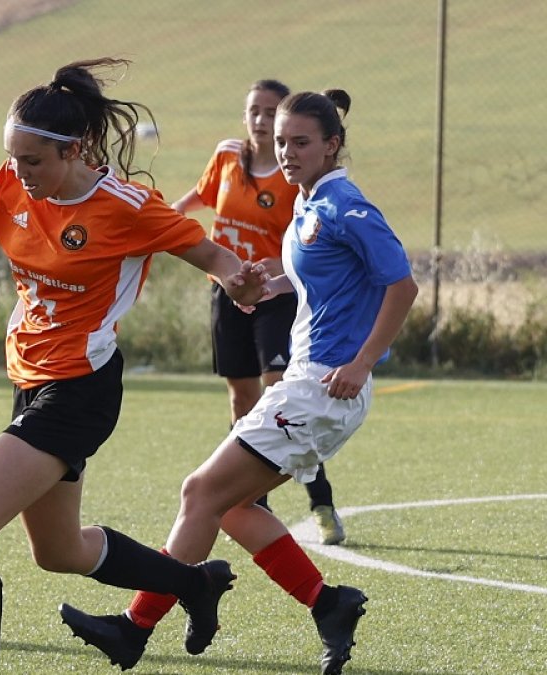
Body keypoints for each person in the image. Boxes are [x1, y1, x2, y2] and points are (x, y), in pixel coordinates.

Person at [0, 58, 263, 675]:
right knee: (58, 550)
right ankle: (193, 585)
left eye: (33, 161)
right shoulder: (9, 187)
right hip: (31, 381)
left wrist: (239, 280)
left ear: (75, 151)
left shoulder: (124, 206)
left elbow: (205, 250)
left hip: (80, 389)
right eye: (13, 157)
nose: (19, 172)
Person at [59, 89, 419, 675]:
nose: (286, 152)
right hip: (310, 386)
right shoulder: (308, 203)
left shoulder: (344, 205)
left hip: (322, 390)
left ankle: (135, 627)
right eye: (281, 142)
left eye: (301, 142)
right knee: (230, 506)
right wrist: (269, 284)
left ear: (332, 145)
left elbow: (401, 286)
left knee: (201, 493)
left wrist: (362, 362)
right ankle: (329, 605)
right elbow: (327, 282)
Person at [169, 79, 346, 546]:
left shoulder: (294, 177)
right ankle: (250, 505)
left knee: (281, 400)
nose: (262, 121)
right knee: (241, 399)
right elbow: (198, 198)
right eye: (254, 111)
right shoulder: (227, 157)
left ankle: (321, 501)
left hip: (275, 297)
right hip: (226, 295)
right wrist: (163, 221)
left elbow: (304, 246)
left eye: (271, 113)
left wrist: (267, 270)